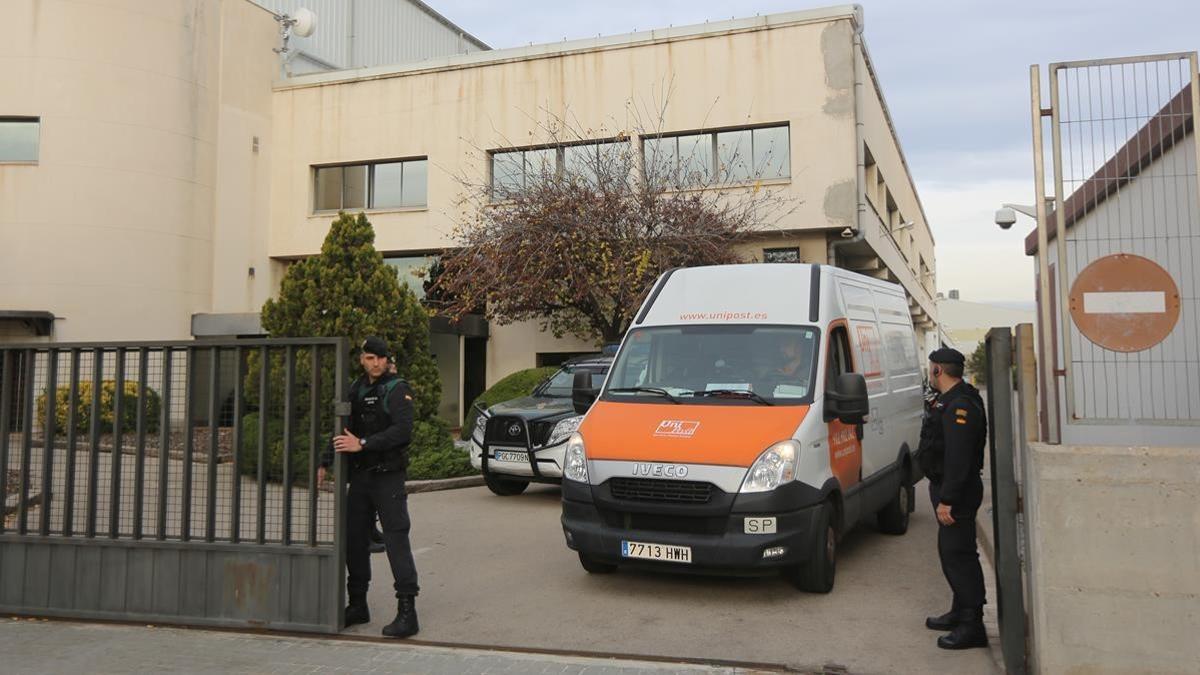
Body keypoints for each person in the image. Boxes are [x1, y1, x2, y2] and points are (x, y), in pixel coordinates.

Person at [318, 337, 420, 638]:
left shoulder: (397, 388)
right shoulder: (356, 388)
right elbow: (343, 428)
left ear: (388, 360)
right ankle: (358, 604)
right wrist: (324, 460)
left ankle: (407, 612)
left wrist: (362, 444)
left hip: (387, 476)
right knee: (354, 540)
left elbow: (402, 432)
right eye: (369, 358)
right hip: (361, 477)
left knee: (396, 538)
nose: (375, 364)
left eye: (380, 358)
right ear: (362, 359)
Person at [918, 347, 989, 650]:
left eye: (931, 368)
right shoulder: (955, 398)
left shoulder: (960, 405)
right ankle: (960, 612)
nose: (930, 373)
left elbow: (958, 459)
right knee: (955, 553)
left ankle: (972, 626)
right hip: (951, 488)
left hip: (955, 492)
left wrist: (947, 499)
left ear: (938, 370)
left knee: (957, 557)